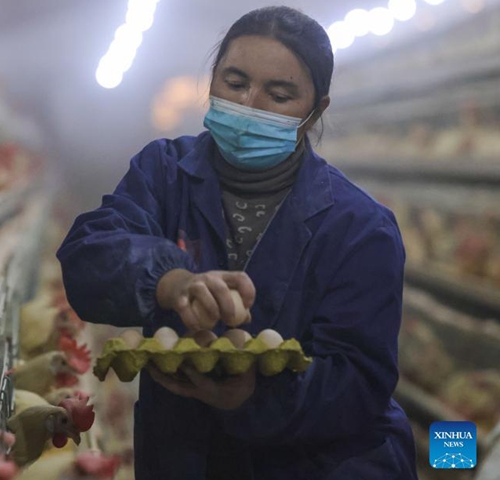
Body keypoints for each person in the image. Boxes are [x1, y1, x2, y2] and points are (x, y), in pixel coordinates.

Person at [57, 5, 419, 480]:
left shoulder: (360, 227)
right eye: (235, 81)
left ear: (315, 111)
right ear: (211, 81)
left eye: (280, 94)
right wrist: (171, 280)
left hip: (319, 465)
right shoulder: (165, 173)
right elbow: (89, 254)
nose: (250, 104)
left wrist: (256, 396)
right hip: (184, 454)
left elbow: (360, 382)